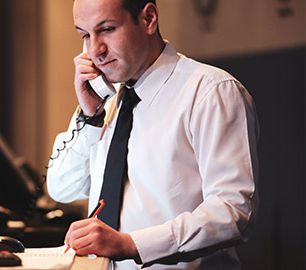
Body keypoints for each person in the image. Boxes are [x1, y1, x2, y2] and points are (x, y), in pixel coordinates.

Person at [46, 0, 259, 269]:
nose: (95, 50)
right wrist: (90, 119)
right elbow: (61, 189)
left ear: (148, 19)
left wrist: (131, 244)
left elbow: (233, 211)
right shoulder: (107, 102)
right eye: (85, 35)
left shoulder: (211, 91)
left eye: (107, 29)